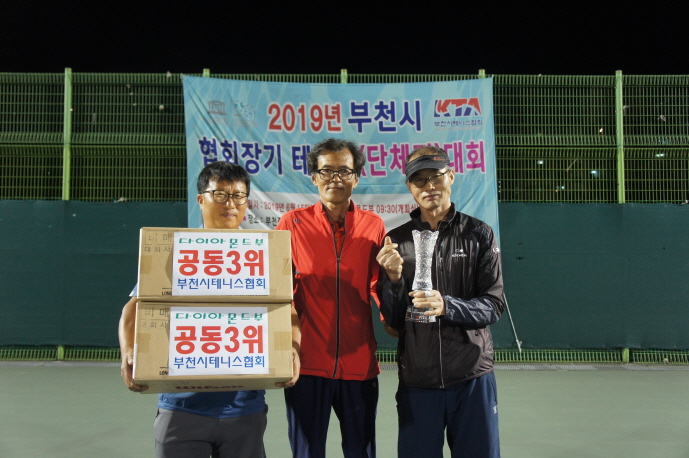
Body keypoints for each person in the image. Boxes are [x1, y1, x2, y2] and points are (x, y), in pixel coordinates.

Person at [118, 161, 301, 458]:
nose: (230, 204)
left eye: (238, 196)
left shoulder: (262, 255)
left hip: (245, 410)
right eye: (220, 195)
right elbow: (134, 308)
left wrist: (292, 350)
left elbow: (286, 310)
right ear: (201, 199)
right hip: (181, 408)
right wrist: (128, 352)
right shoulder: (180, 252)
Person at [376, 146, 504, 458]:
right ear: (410, 187)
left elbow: (493, 305)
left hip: (471, 376)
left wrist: (447, 306)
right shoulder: (397, 240)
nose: (429, 186)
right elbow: (393, 321)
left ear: (451, 176)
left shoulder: (478, 234)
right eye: (419, 180)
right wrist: (393, 280)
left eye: (435, 176)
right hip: (418, 381)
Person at [275, 138, 386, 458]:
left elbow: (378, 287)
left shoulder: (374, 226)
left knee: (361, 451)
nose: (335, 178)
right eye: (326, 171)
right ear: (314, 177)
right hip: (306, 365)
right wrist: (287, 350)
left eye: (344, 171)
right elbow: (279, 292)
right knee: (307, 452)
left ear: (356, 178)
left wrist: (394, 321)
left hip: (360, 365)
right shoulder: (291, 223)